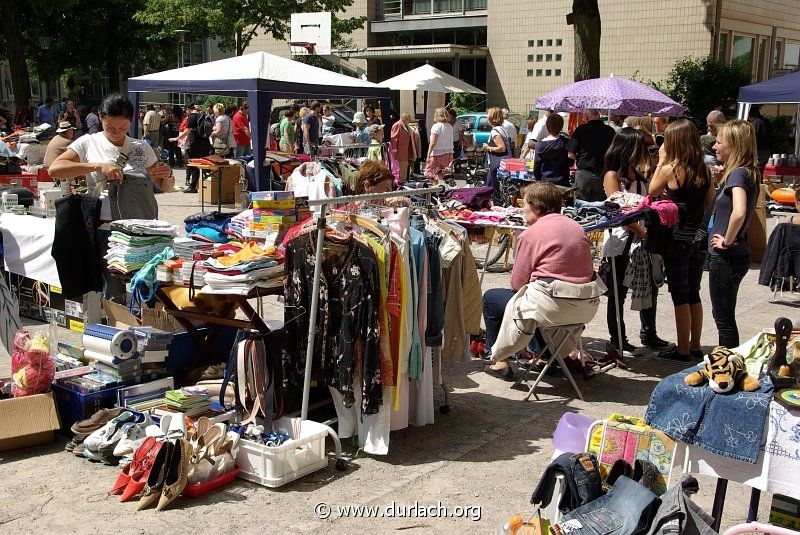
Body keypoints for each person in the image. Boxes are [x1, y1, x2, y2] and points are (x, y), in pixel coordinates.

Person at [48, 93, 172, 298]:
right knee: (113, 294)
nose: (116, 133)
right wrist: (97, 166)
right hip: (108, 231)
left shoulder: (141, 147)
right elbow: (55, 169)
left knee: (147, 289)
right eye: (109, 127)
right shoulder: (88, 142)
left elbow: (165, 186)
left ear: (131, 123)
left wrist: (166, 174)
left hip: (143, 231)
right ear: (100, 120)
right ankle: (117, 327)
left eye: (122, 128)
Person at [482, 182, 600, 380]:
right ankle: (546, 356)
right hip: (583, 307)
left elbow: (517, 284)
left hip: (552, 307)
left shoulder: (531, 234)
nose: (522, 209)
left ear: (536, 207)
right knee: (536, 298)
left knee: (493, 299)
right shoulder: (576, 228)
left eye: (525, 204)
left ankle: (500, 361)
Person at [649, 119, 715, 362]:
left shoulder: (672, 169)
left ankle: (682, 349)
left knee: (679, 293)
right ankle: (695, 345)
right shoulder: (705, 170)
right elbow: (710, 202)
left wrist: (662, 161)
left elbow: (652, 191)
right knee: (693, 292)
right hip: (697, 236)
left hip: (677, 238)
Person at [602, 127, 668, 353]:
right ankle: (617, 339)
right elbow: (617, 211)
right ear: (628, 148)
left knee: (648, 287)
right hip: (621, 243)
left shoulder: (639, 177)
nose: (645, 153)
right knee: (617, 293)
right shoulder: (613, 176)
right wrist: (640, 232)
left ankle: (649, 333)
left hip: (641, 242)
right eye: (641, 148)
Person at [708, 120, 760, 348]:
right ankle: (729, 366)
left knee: (724, 319)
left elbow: (738, 212)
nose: (714, 146)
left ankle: (727, 369)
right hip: (737, 254)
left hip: (727, 256)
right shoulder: (748, 172)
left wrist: (727, 240)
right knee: (725, 316)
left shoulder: (738, 174)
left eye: (719, 142)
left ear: (735, 146)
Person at [568, 109, 616, 201]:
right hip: (602, 174)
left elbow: (570, 154)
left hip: (583, 173)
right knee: (600, 206)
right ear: (598, 115)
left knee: (580, 205)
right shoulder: (610, 131)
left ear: (586, 116)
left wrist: (579, 159)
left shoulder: (580, 130)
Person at [171, 103, 211, 193]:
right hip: (205, 142)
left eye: (186, 111)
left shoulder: (192, 116)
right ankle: (209, 184)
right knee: (205, 165)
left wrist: (177, 138)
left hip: (196, 143)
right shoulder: (203, 115)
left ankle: (192, 187)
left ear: (188, 109)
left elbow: (188, 130)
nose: (186, 113)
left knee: (193, 164)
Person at [482, 106, 513, 202]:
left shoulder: (495, 131)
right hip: (504, 162)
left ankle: (496, 204)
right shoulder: (503, 129)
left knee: (495, 189)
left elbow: (502, 148)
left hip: (497, 163)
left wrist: (488, 148)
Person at [532, 113, 571, 187]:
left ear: (547, 126)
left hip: (545, 183)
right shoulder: (565, 142)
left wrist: (537, 180)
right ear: (561, 126)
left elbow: (537, 166)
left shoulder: (539, 145)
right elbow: (570, 162)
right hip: (563, 182)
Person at [425, 107, 454, 184]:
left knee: (433, 176)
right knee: (444, 174)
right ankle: (445, 191)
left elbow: (433, 142)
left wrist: (428, 154)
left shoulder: (436, 126)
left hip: (436, 154)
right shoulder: (449, 126)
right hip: (448, 153)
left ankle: (435, 191)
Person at [391, 112, 413, 184]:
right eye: (409, 119)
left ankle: (402, 181)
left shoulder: (405, 126)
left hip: (404, 152)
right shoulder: (398, 125)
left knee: (404, 167)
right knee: (400, 168)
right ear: (405, 118)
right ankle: (399, 183)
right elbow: (394, 138)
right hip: (399, 152)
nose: (410, 120)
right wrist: (394, 152)